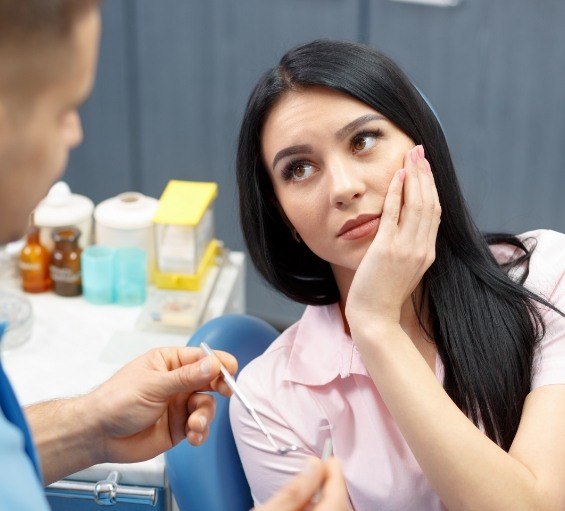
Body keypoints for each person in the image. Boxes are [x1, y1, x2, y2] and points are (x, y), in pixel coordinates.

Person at [0, 2, 341, 510]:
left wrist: (87, 426)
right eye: (64, 108)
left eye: (364, 140)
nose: (76, 134)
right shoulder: (275, 399)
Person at [231, 39, 565, 510]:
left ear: (421, 144)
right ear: (282, 213)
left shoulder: (546, 276)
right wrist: (375, 323)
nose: (345, 187)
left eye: (363, 141)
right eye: (300, 169)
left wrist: (376, 324)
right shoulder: (269, 401)